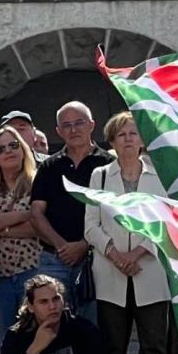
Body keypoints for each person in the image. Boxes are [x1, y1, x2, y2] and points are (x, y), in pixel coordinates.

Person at [84, 112, 172, 354]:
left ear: (142, 140)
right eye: (121, 135)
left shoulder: (157, 176)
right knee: (113, 347)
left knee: (154, 346)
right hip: (111, 272)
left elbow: (165, 220)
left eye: (133, 133)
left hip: (149, 269)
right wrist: (115, 254)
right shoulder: (100, 177)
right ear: (112, 141)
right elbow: (90, 225)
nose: (128, 139)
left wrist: (137, 253)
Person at [28, 102, 110, 320]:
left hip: (97, 258)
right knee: (52, 324)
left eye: (79, 123)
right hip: (54, 258)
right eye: (67, 125)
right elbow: (36, 213)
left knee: (93, 326)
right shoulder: (49, 166)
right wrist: (62, 246)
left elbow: (113, 214)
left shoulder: (109, 165)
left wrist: (84, 245)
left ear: (92, 125)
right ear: (58, 131)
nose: (73, 130)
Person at [0, 123, 41, 334]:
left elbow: (40, 227)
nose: (8, 151)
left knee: (34, 337)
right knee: (2, 339)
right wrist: (25, 215)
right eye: (1, 149)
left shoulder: (38, 182)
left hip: (32, 271)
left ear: (23, 150)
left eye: (14, 145)